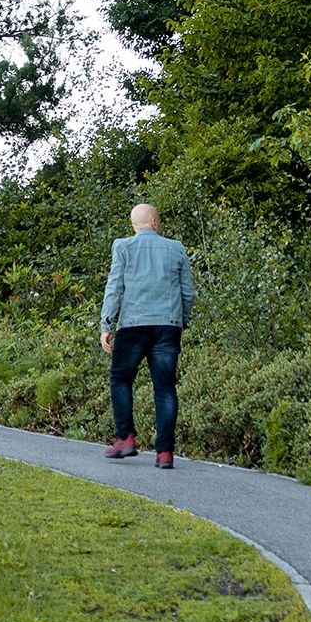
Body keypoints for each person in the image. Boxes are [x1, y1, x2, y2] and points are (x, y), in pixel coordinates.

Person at [98, 201, 195, 469]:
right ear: (155, 222)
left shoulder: (123, 246)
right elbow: (188, 292)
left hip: (132, 325)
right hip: (168, 327)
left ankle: (125, 438)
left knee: (120, 378)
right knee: (165, 388)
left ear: (135, 225)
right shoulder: (177, 249)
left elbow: (114, 287)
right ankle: (164, 453)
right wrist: (181, 321)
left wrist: (106, 324)